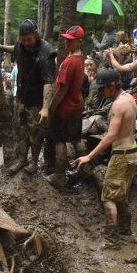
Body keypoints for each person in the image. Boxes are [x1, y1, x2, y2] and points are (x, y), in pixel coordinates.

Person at [73, 69, 137, 248]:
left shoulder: (118, 105)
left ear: (112, 86)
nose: (101, 93)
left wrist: (89, 156)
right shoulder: (129, 99)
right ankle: (126, 231)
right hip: (132, 152)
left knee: (108, 196)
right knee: (120, 193)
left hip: (121, 155)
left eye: (102, 89)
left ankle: (112, 240)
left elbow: (111, 136)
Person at [0, 19, 57, 175]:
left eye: (29, 39)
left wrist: (45, 108)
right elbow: (14, 49)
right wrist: (0, 47)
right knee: (21, 130)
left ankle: (34, 162)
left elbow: (48, 82)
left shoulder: (46, 52)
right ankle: (22, 159)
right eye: (23, 40)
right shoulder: (21, 45)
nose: (26, 43)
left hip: (38, 101)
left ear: (36, 35)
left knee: (36, 133)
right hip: (22, 97)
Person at [46, 25, 86, 186]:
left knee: (59, 140)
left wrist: (51, 108)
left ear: (79, 41)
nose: (66, 42)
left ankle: (60, 175)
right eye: (66, 39)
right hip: (77, 104)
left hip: (65, 107)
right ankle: (86, 167)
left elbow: (62, 89)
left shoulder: (70, 62)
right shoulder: (81, 57)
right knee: (76, 138)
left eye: (70, 40)